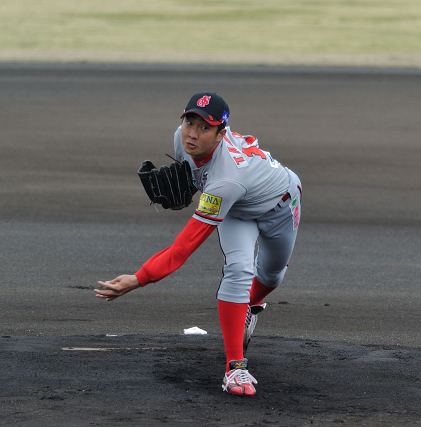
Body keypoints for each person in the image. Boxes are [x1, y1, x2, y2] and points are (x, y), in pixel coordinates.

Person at [95, 92, 302, 397]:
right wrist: (184, 196)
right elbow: (194, 181)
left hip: (281, 205)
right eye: (189, 122)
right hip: (235, 212)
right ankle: (235, 368)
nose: (192, 133)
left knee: (272, 276)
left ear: (221, 134)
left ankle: (247, 307)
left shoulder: (227, 179)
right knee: (239, 271)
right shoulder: (183, 142)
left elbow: (182, 249)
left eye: (204, 128)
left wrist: (139, 278)